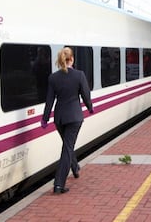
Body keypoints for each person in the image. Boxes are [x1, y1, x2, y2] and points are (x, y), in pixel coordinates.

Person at [41, 47, 93, 194]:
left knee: (67, 145)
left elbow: (49, 101)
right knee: (67, 147)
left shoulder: (53, 77)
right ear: (72, 59)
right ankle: (58, 184)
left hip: (60, 119)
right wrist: (90, 108)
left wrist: (45, 119)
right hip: (75, 118)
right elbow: (85, 95)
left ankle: (75, 168)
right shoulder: (79, 75)